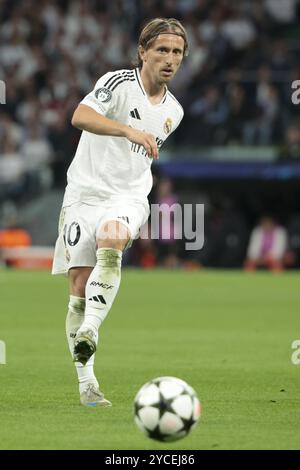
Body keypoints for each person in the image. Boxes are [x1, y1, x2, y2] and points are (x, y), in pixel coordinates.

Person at [52, 18, 188, 407]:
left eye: (177, 52)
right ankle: (87, 385)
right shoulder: (116, 83)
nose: (169, 59)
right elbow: (79, 117)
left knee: (112, 237)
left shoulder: (173, 111)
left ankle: (91, 329)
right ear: (143, 51)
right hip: (83, 194)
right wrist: (128, 130)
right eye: (162, 50)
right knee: (78, 287)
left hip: (127, 197)